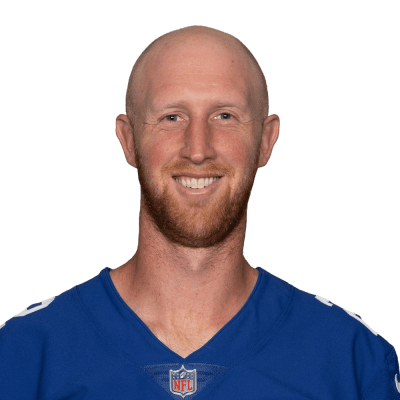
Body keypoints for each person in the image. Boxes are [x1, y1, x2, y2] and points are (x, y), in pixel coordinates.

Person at [0, 25, 398, 399]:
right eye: (172, 117)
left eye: (224, 116)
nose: (197, 149)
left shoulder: (353, 360)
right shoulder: (22, 353)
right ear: (128, 140)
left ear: (266, 139)